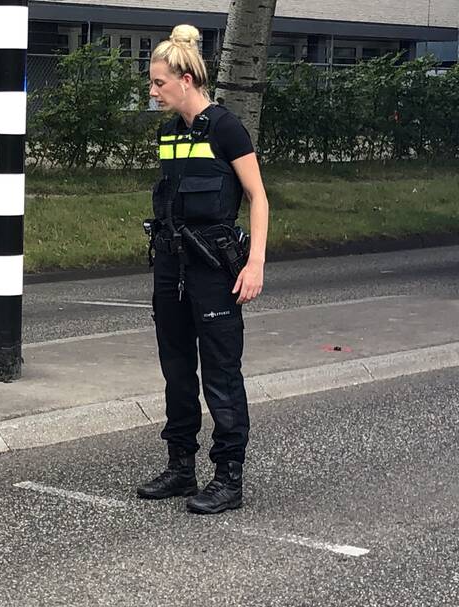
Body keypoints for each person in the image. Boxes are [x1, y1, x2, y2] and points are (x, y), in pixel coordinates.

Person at [136, 25, 269, 514]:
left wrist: (254, 263)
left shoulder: (227, 128)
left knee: (220, 373)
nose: (153, 92)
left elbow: (257, 196)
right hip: (172, 265)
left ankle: (228, 479)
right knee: (176, 369)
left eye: (159, 84)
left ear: (187, 79)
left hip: (215, 267)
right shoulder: (168, 132)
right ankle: (180, 467)